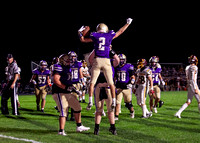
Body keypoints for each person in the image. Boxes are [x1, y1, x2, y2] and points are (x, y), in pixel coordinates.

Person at [78, 18, 133, 111]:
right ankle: (114, 101)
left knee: (92, 82)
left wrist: (79, 32)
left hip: (97, 60)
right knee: (111, 83)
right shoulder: (109, 35)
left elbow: (82, 40)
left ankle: (90, 101)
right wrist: (127, 24)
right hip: (107, 61)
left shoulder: (94, 35)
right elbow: (120, 31)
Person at [52, 54, 90, 136]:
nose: (70, 62)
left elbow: (71, 78)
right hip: (59, 92)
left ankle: (79, 126)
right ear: (62, 60)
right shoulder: (58, 67)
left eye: (70, 60)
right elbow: (56, 80)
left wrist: (74, 87)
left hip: (67, 91)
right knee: (63, 110)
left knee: (77, 107)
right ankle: (61, 130)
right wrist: (65, 87)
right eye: (68, 60)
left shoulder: (70, 67)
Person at [114, 54, 135, 120]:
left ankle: (132, 111)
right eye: (120, 59)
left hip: (126, 87)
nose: (121, 61)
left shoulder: (128, 66)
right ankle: (116, 116)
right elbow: (114, 77)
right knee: (117, 102)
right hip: (119, 87)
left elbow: (133, 76)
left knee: (128, 103)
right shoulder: (116, 67)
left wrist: (132, 82)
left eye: (122, 59)